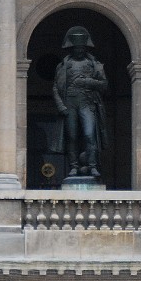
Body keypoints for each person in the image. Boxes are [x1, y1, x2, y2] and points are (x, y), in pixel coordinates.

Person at [52, 26, 108, 180]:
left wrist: (87, 82)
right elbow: (56, 88)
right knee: (72, 137)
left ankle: (92, 166)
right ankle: (74, 167)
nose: (79, 50)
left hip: (87, 102)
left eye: (82, 47)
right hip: (69, 103)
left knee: (90, 135)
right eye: (76, 47)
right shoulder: (63, 65)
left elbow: (104, 85)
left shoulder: (93, 64)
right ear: (72, 47)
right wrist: (61, 106)